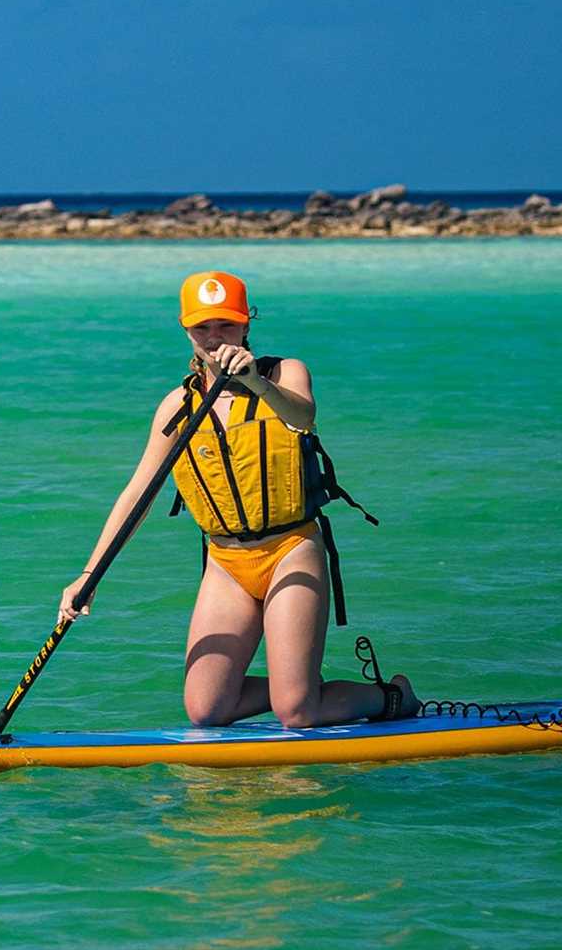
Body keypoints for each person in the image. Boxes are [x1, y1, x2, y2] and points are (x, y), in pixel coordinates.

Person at [58, 269, 416, 730]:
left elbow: (303, 417)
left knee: (297, 714)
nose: (214, 338)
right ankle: (299, 681)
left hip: (291, 550)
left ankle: (390, 697)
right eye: (202, 328)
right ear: (186, 330)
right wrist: (88, 575)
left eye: (226, 325)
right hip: (226, 562)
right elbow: (138, 494)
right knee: (207, 711)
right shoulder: (177, 407)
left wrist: (257, 383)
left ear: (246, 324)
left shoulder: (285, 373)